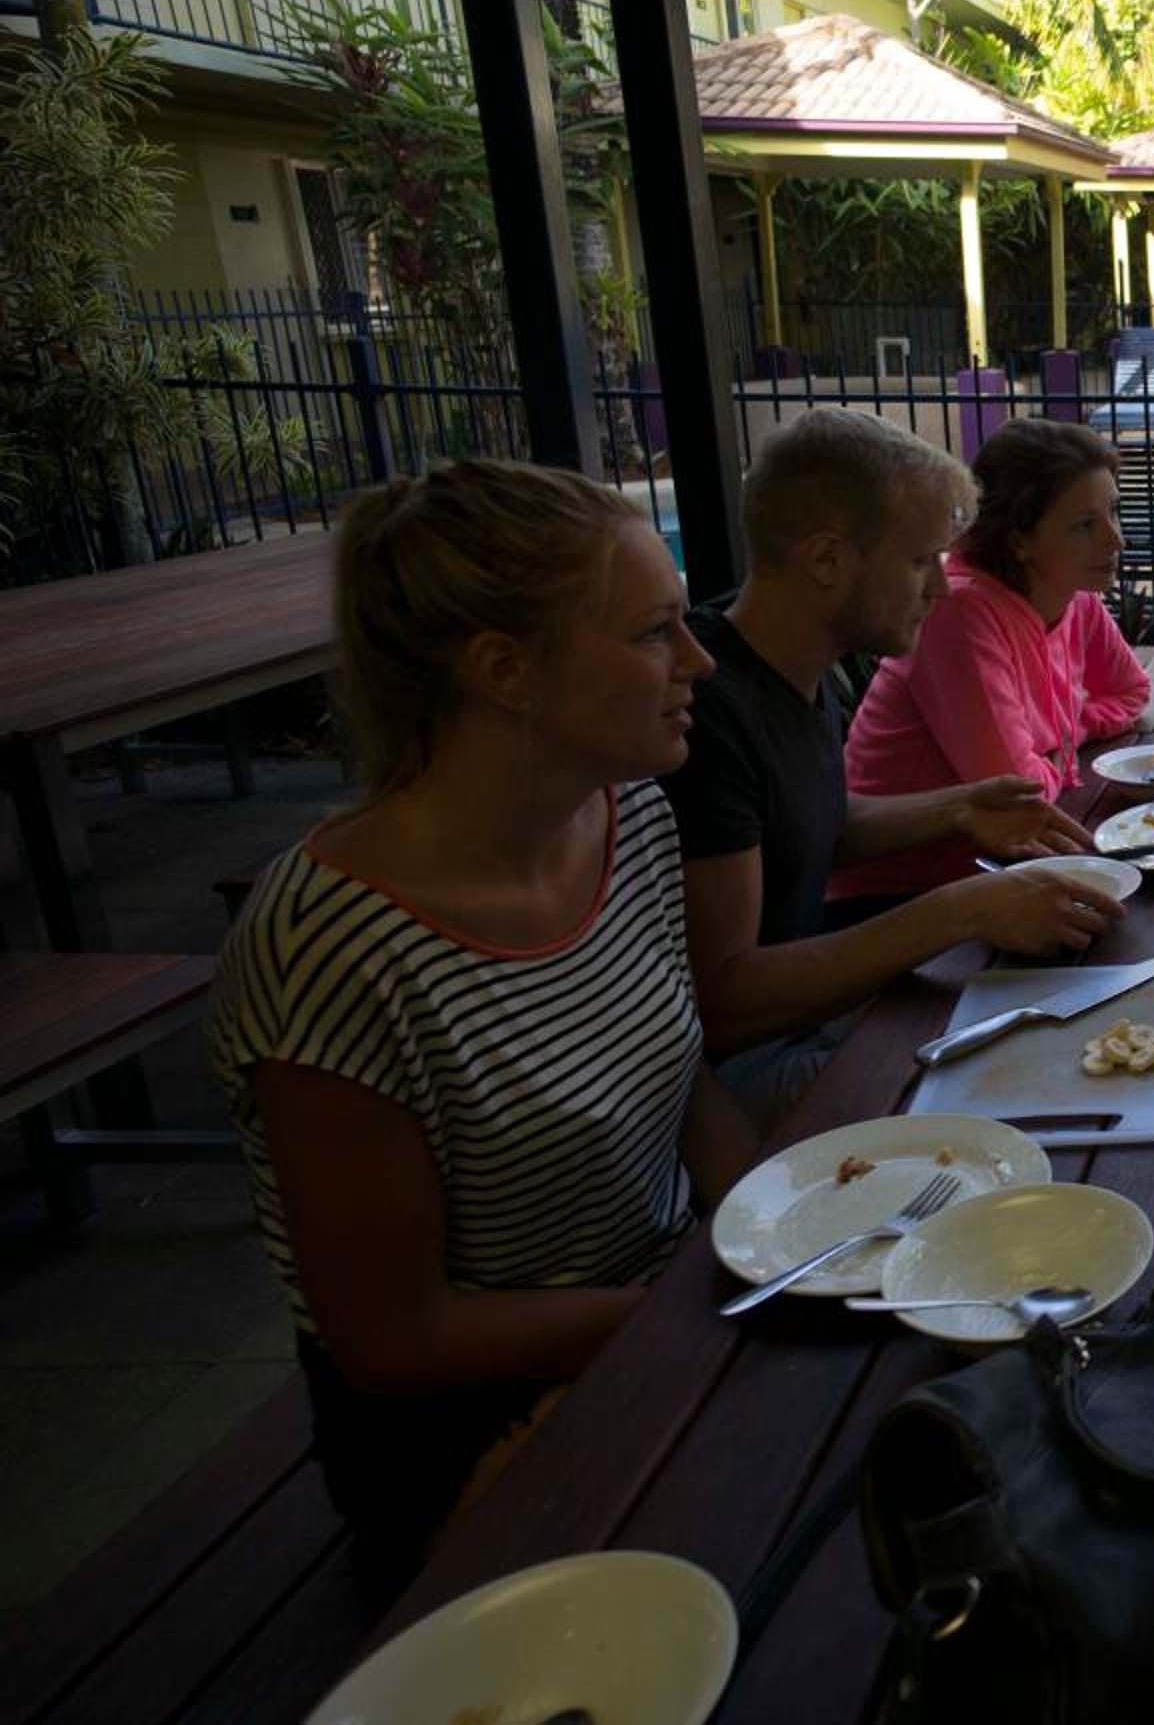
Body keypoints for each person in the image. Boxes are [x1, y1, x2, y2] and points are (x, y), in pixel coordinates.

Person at [209, 461, 764, 1582]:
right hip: (466, 1426)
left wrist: (775, 1235)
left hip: (666, 1314)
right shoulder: (332, 947)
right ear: (505, 671)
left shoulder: (631, 818)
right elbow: (395, 1339)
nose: (698, 659)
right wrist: (700, 1306)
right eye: (653, 632)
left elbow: (682, 1078)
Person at [660, 411, 1122, 1109]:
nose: (941, 586)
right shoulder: (710, 714)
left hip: (819, 1008)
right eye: (918, 562)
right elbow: (723, 1003)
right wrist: (960, 909)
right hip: (748, 1064)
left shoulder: (788, 662)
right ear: (827, 561)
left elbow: (807, 825)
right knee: (1061, 1074)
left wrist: (958, 809)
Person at [832, 418, 1152, 902]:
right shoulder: (959, 611)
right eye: (1085, 525)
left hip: (1000, 874)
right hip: (895, 897)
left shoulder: (1075, 596)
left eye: (1113, 512)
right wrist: (1055, 756)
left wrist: (1068, 737)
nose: (1115, 540)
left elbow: (1131, 691)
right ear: (1019, 540)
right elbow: (1016, 793)